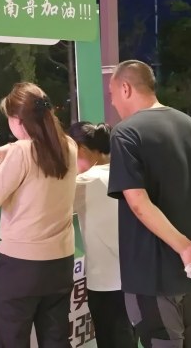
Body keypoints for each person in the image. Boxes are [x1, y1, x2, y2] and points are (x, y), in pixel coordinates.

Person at [107, 60, 191, 348]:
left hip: (154, 278)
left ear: (125, 88)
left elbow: (138, 202)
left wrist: (184, 248)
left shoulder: (126, 132)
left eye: (112, 94)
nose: (112, 102)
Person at [0, 82, 78, 348]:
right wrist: (10, 148)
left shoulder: (22, 152)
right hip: (60, 263)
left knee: (13, 340)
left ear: (17, 120)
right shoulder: (69, 147)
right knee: (56, 340)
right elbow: (39, 147)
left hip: (20, 267)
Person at [69, 121, 137, 348]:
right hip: (137, 279)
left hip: (106, 282)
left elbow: (50, 205)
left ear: (80, 149)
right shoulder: (128, 172)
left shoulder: (87, 180)